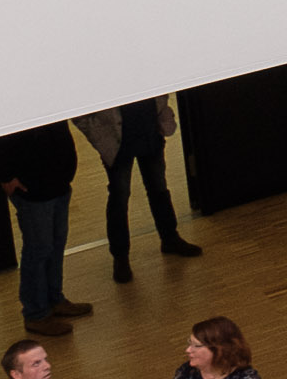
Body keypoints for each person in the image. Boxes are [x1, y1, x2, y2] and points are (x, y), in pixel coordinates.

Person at [75, 96, 201, 283]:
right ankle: (120, 257)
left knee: (158, 188)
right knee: (120, 196)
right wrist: (99, 135)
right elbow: (79, 112)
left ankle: (170, 238)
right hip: (117, 141)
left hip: (150, 132)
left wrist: (162, 116)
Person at [0, 124, 85, 336]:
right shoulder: (5, 103)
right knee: (39, 250)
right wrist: (6, 176)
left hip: (57, 182)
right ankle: (36, 314)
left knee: (56, 245)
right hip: (32, 188)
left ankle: (55, 300)